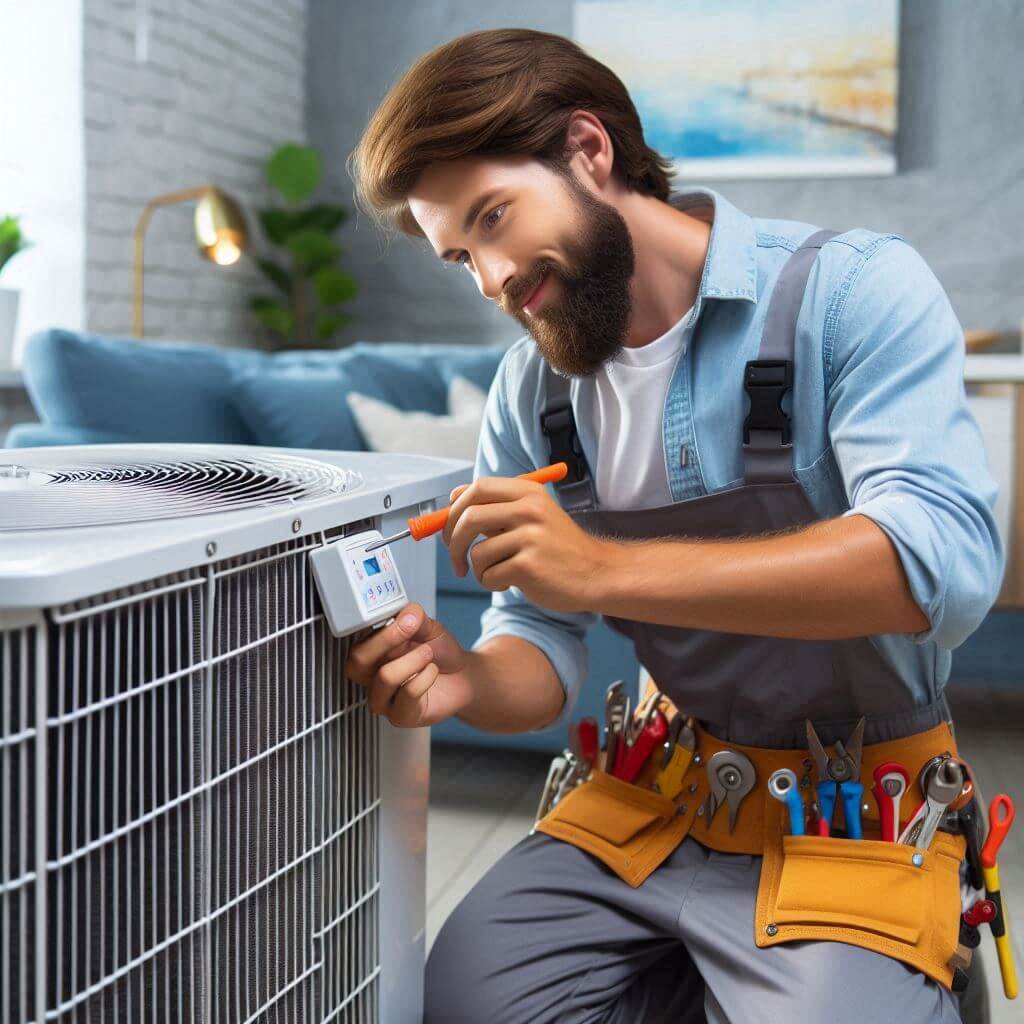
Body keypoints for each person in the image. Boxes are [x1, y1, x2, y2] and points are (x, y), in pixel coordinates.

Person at [344, 27, 1003, 1024]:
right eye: (460, 255)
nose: (490, 279)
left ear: (588, 150)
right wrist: (465, 677)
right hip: (660, 793)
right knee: (461, 1001)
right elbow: (537, 636)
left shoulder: (851, 293)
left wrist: (603, 568)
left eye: (494, 218)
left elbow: (941, 566)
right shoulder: (532, 391)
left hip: (858, 812)